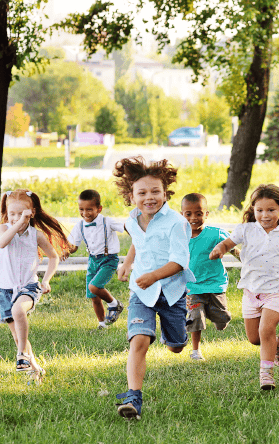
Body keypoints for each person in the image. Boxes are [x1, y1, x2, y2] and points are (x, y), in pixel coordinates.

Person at [114, 157, 195, 420]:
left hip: (171, 292)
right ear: (131, 196)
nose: (149, 197)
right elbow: (140, 241)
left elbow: (179, 262)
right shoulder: (132, 219)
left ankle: (173, 335)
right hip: (141, 292)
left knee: (177, 346)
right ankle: (133, 398)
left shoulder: (176, 222)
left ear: (165, 193)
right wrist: (128, 263)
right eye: (142, 192)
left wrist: (153, 276)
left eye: (155, 191)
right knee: (138, 341)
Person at [210, 184, 279, 390]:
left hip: (277, 291)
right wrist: (219, 249)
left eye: (271, 210)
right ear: (253, 210)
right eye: (259, 210)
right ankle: (277, 342)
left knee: (265, 329)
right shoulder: (246, 230)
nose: (265, 215)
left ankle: (266, 375)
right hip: (251, 292)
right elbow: (228, 243)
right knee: (254, 338)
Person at [0, 189, 70, 380]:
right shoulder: (4, 229)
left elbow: (53, 257)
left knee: (18, 311)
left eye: (21, 213)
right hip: (5, 290)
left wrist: (46, 279)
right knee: (17, 336)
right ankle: (35, 368)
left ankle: (21, 354)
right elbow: (2, 243)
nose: (15, 217)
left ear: (32, 212)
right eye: (11, 213)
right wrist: (18, 223)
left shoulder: (36, 235)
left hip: (29, 286)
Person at [181, 193, 239, 360]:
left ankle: (216, 316)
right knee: (195, 318)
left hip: (215, 284)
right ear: (182, 215)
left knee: (222, 320)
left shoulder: (215, 234)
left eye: (199, 213)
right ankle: (195, 351)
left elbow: (232, 247)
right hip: (193, 286)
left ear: (206, 214)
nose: (194, 218)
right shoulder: (179, 237)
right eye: (188, 214)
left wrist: (246, 261)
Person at [67, 189, 125, 329]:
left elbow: (125, 226)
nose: (85, 213)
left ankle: (114, 304)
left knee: (94, 286)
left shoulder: (107, 221)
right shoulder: (79, 225)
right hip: (92, 260)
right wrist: (66, 251)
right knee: (93, 296)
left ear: (99, 209)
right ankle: (102, 324)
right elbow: (73, 246)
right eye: (81, 209)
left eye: (89, 209)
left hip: (108, 260)